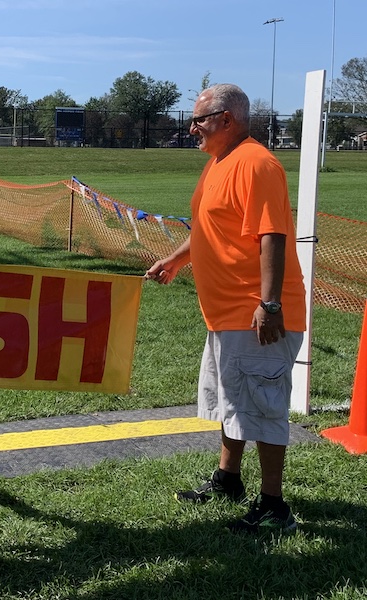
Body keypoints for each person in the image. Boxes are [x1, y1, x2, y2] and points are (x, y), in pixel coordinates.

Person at [145, 83, 306, 533]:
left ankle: (275, 507)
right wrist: (178, 259)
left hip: (255, 315)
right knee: (232, 400)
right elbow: (208, 227)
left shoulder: (256, 163)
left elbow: (272, 234)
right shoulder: (219, 162)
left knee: (265, 406)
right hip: (224, 315)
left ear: (226, 119)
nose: (192, 127)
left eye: (198, 119)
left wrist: (269, 304)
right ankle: (228, 479)